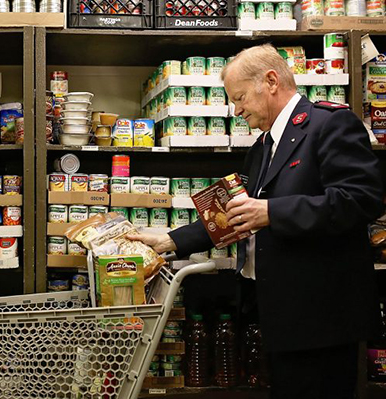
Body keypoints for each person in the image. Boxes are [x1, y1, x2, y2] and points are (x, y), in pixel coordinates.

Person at [130, 44, 384, 399]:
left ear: (270, 81)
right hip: (279, 314)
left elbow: (361, 200)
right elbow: (234, 215)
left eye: (240, 98)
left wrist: (271, 213)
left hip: (321, 318)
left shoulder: (331, 124)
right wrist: (170, 241)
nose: (236, 111)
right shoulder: (263, 146)